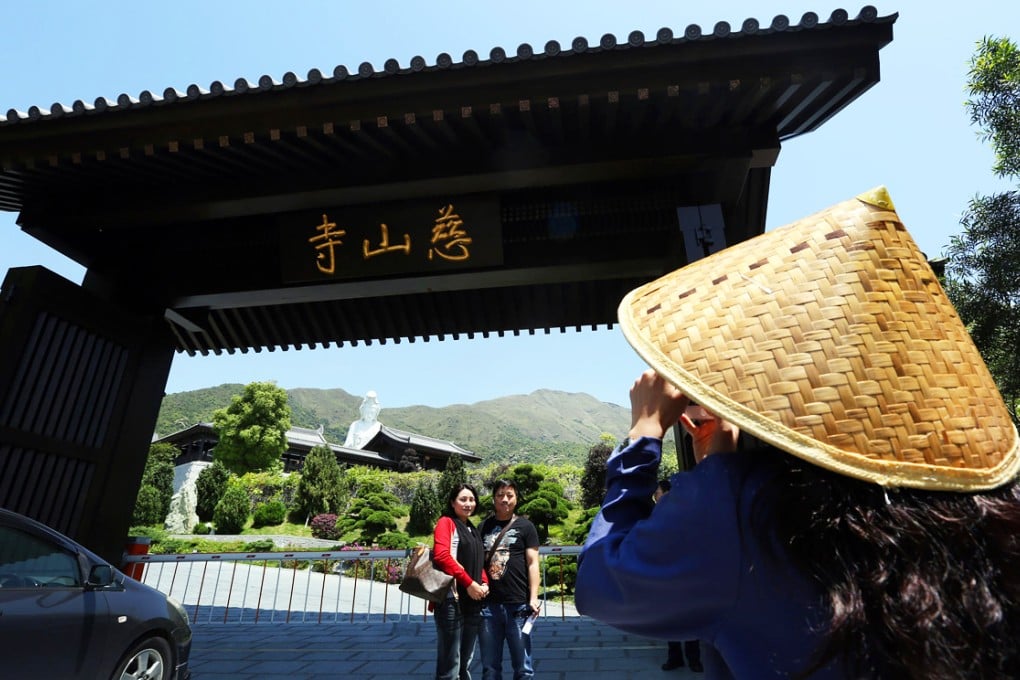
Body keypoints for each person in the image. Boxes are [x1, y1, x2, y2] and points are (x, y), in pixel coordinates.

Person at [575, 188, 1020, 678]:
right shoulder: (986, 501)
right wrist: (717, 468)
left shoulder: (745, 512)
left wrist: (644, 433)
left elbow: (602, 584)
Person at [478, 479, 542, 680]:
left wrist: (533, 597)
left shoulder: (526, 526)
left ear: (516, 498)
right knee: (490, 667)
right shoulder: (483, 526)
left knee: (523, 666)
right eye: (500, 495)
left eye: (510, 495)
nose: (505, 499)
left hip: (518, 604)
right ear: (493, 498)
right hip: (488, 605)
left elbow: (533, 563)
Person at [432, 483, 490, 680]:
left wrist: (483, 582)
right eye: (463, 499)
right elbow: (441, 556)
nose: (468, 504)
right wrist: (469, 583)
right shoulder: (446, 522)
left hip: (472, 601)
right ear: (452, 502)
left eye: (472, 499)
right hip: (451, 600)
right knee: (450, 665)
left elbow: (478, 561)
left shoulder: (472, 529)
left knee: (465, 661)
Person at [653, 479, 703, 674]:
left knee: (689, 617)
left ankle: (693, 659)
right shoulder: (659, 513)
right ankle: (676, 658)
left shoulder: (681, 513)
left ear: (666, 493)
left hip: (683, 572)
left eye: (657, 492)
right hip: (667, 573)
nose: (655, 496)